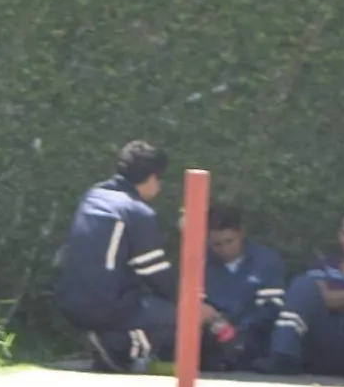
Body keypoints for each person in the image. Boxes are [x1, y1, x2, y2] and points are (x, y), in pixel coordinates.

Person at [54, 141, 216, 372]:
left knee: (143, 302)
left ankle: (109, 341)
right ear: (151, 178)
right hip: (107, 304)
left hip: (69, 299)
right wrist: (192, 304)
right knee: (179, 319)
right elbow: (154, 273)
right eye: (160, 180)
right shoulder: (136, 211)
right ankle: (118, 346)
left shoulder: (93, 197)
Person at [263, 201, 344, 379]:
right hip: (322, 342)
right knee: (303, 284)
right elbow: (320, 297)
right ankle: (283, 358)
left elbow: (329, 298)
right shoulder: (324, 266)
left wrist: (334, 297)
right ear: (339, 235)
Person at [200, 201, 286, 371]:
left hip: (254, 339)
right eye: (217, 244)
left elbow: (271, 309)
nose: (224, 249)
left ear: (241, 233)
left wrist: (237, 330)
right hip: (211, 337)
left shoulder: (266, 262)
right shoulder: (200, 264)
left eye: (229, 241)